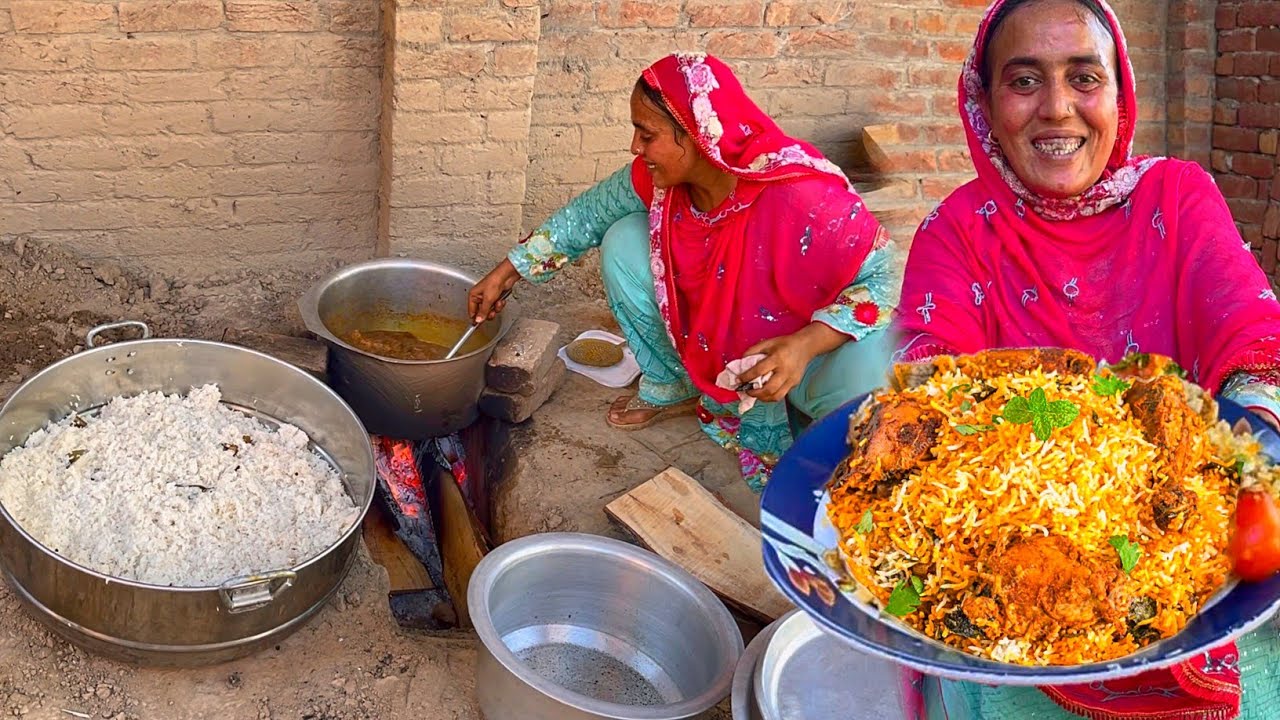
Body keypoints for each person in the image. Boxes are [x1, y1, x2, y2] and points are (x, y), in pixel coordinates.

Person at [893, 0, 1280, 717]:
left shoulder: (1177, 195)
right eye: (1024, 81)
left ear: (1120, 91)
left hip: (1189, 542)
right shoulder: (954, 233)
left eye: (1084, 77)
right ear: (985, 103)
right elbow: (931, 380)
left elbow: (1247, 324)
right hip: (1017, 558)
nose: (1058, 109)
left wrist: (1255, 434)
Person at [470, 53, 901, 491]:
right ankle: (676, 383)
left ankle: (814, 428)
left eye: (648, 134)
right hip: (735, 352)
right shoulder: (661, 182)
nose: (636, 147)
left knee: (876, 380)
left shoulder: (798, 196)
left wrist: (804, 346)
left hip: (806, 355)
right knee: (623, 238)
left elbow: (891, 278)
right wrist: (507, 271)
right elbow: (587, 215)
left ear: (696, 136)